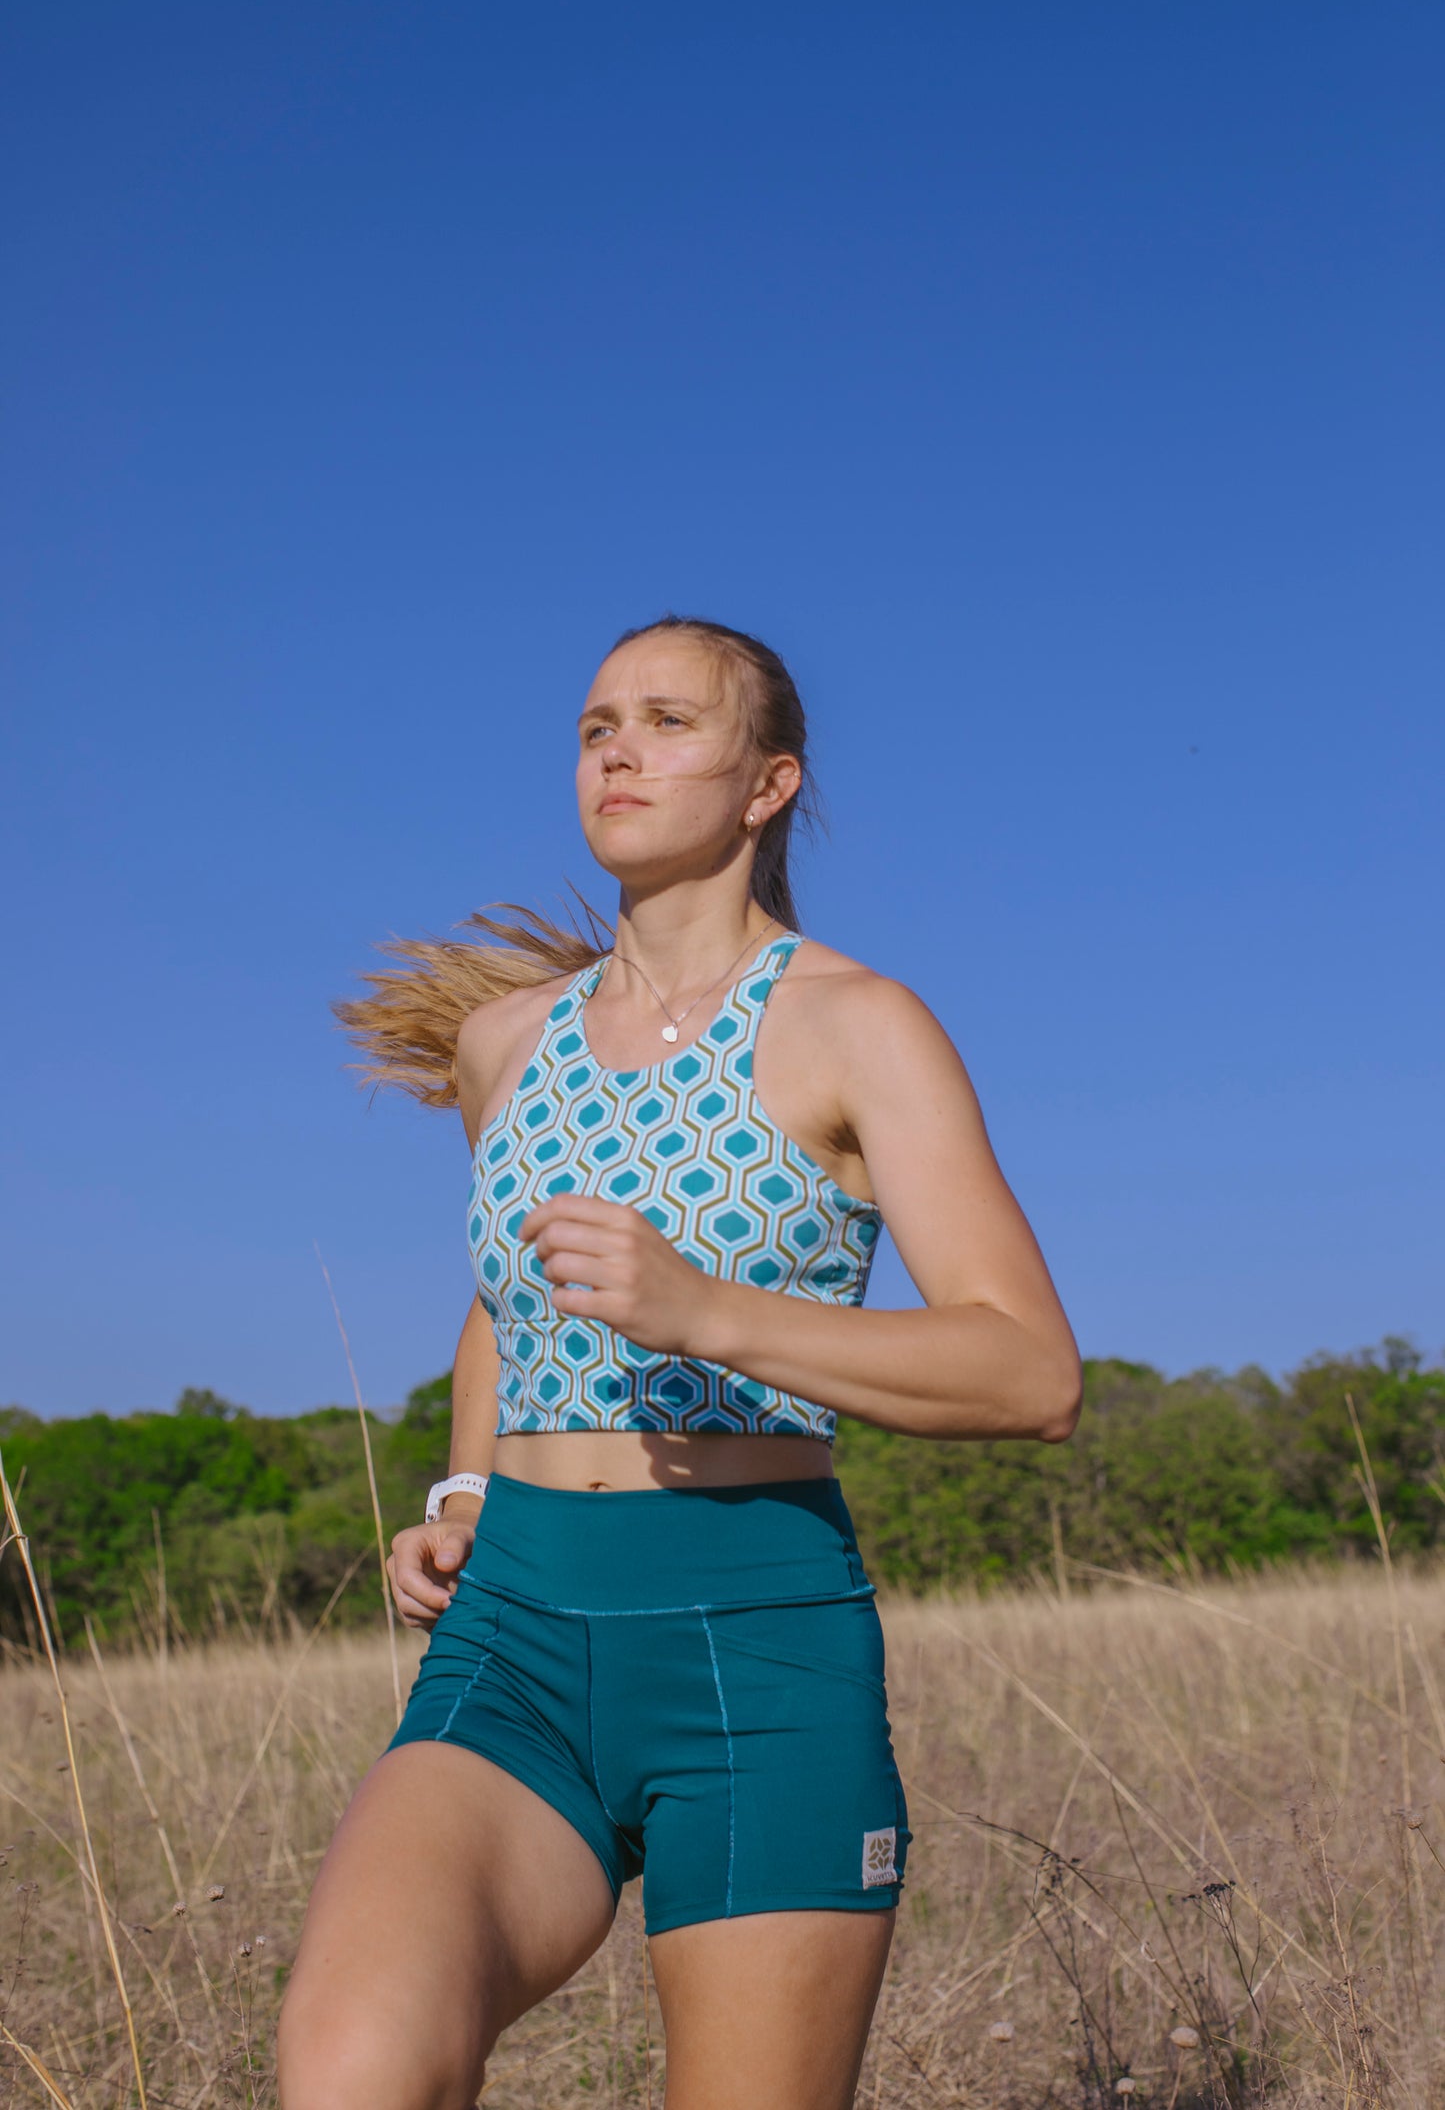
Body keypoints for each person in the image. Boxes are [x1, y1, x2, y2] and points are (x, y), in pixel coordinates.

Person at [277, 614, 1082, 2110]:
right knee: (350, 2078)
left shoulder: (858, 1026)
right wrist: (461, 1490)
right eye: (595, 728)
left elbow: (1028, 1373)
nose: (616, 753)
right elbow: (508, 1297)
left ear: (767, 784)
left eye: (664, 723)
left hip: (752, 1645)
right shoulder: (506, 1044)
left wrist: (710, 1312)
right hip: (514, 1633)